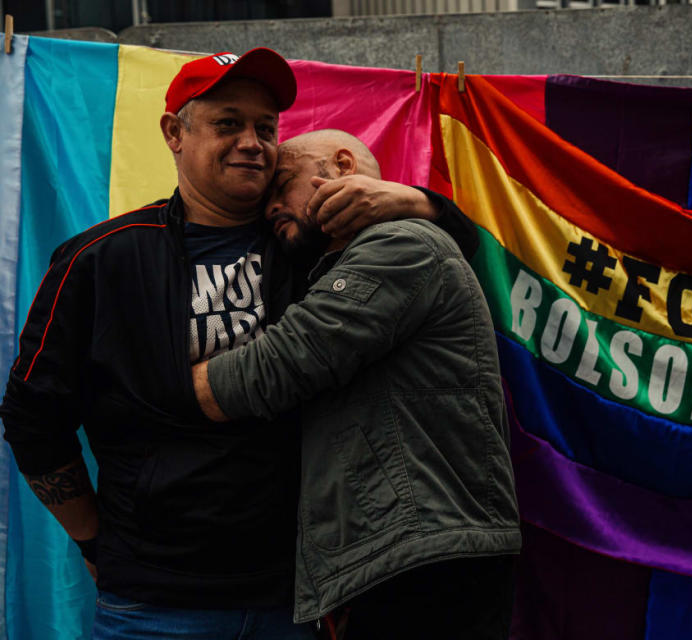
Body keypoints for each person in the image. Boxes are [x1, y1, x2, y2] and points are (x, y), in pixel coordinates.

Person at [0, 48, 476, 639]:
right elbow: (32, 418)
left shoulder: (309, 244)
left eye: (265, 128)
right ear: (175, 133)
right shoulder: (101, 260)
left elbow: (450, 267)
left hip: (299, 597)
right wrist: (94, 540)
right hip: (153, 604)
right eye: (228, 123)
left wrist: (421, 201)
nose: (252, 141)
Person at [192, 130, 521, 639]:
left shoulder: (401, 243)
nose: (271, 205)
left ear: (343, 165)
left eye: (284, 184)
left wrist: (156, 383)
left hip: (425, 566)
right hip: (401, 561)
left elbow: (279, 365)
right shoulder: (342, 260)